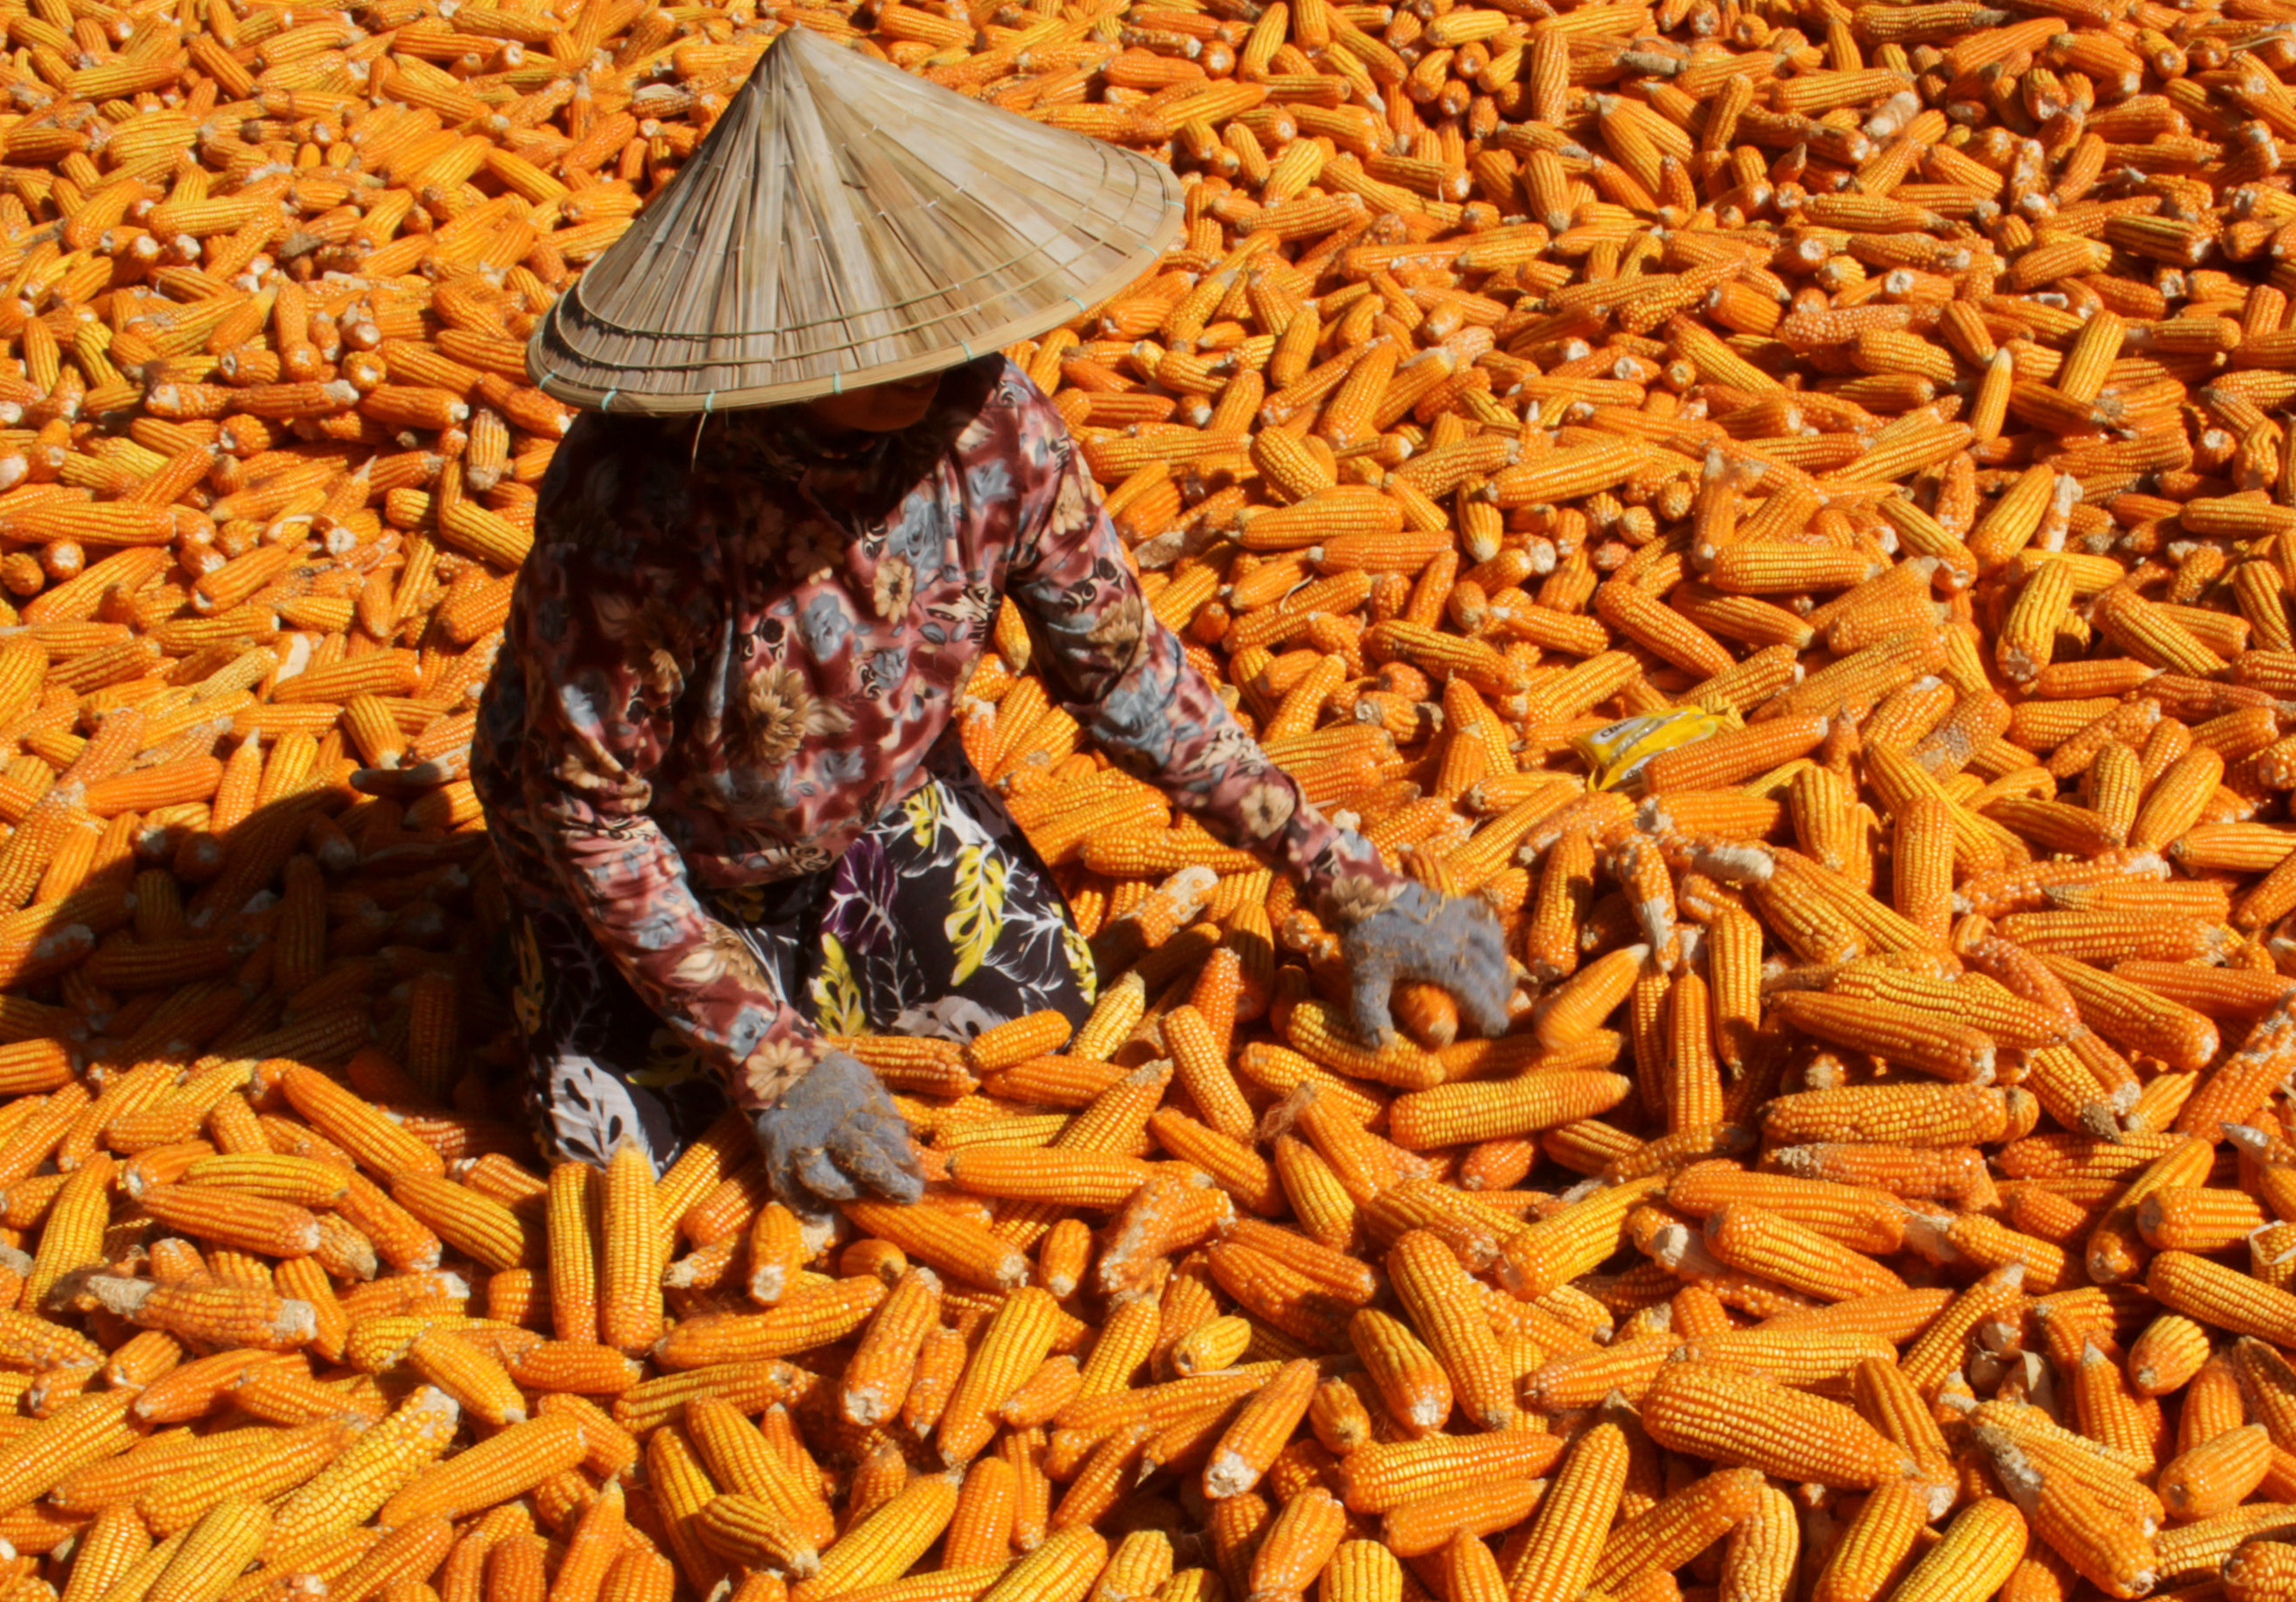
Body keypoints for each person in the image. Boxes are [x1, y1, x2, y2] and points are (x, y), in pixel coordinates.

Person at [472, 25, 1514, 1209]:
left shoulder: (995, 431)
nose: (929, 361)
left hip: (866, 809)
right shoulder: (636, 513)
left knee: (1040, 1021)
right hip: (660, 849)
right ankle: (573, 953)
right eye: (875, 338)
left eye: (936, 314)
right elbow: (593, 818)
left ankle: (803, 974)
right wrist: (773, 1063)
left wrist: (1349, 883)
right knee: (626, 1167)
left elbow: (1123, 672)